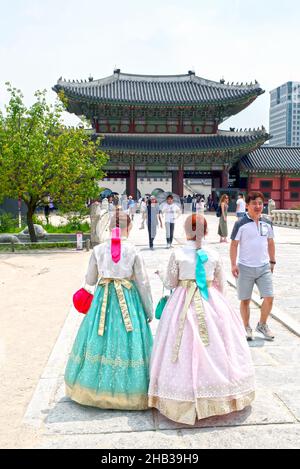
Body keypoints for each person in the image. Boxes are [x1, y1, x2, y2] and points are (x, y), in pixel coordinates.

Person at [148, 214, 255, 425]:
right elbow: (220, 285)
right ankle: (219, 393)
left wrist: (161, 274)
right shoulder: (213, 254)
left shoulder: (178, 254)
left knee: (181, 346)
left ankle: (181, 394)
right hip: (210, 300)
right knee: (216, 347)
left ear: (186, 231)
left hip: (182, 301)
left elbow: (170, 283)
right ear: (206, 232)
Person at [65, 211, 153, 410]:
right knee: (127, 340)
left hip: (103, 299)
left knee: (99, 337)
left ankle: (92, 390)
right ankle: (129, 393)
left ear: (109, 226)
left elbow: (89, 280)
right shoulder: (133, 251)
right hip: (128, 300)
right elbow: (143, 283)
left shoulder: (98, 250)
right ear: (128, 228)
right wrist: (148, 309)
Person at [230, 191, 276, 341]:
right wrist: (233, 264)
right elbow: (234, 245)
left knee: (269, 297)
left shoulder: (267, 222)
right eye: (254, 203)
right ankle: (246, 326)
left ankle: (262, 324)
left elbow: (270, 242)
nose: (257, 206)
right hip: (245, 267)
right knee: (245, 300)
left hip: (263, 267)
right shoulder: (240, 223)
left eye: (260, 203)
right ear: (247, 206)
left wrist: (272, 261)